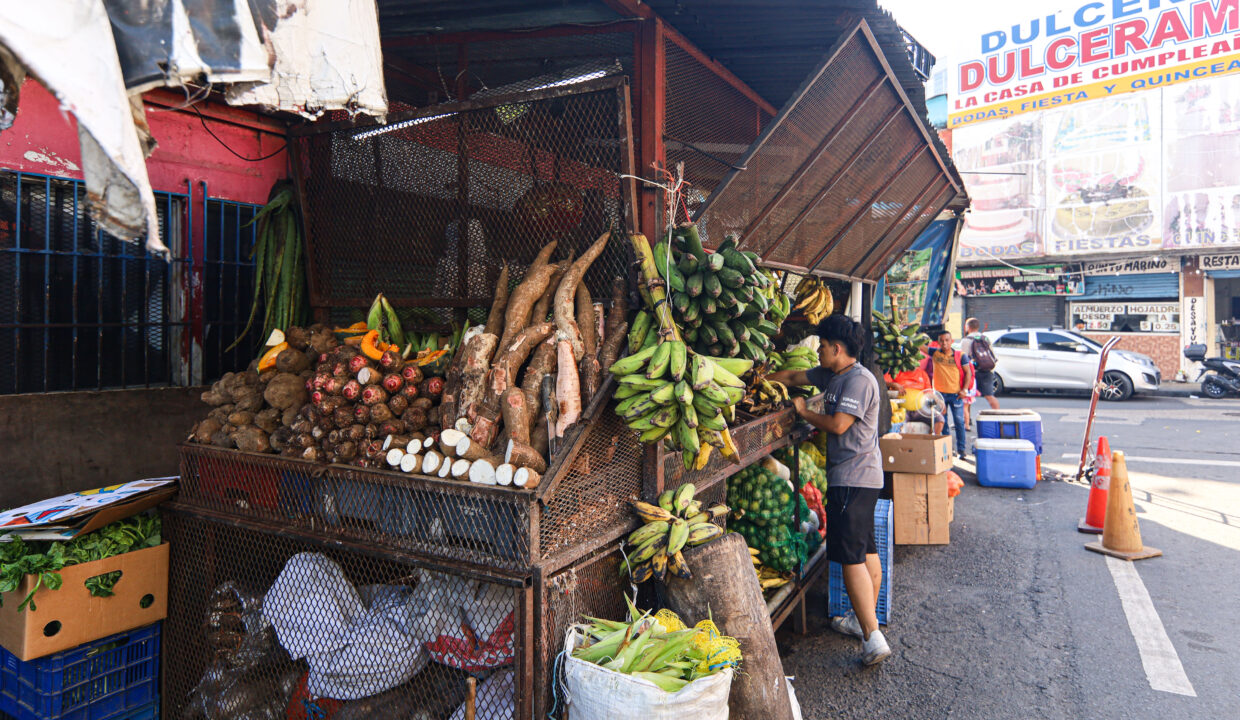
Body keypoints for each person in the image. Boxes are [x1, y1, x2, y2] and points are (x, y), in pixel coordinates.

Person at [770, 316, 891, 666]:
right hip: (859, 478)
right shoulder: (833, 376)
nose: (818, 351)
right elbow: (794, 377)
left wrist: (805, 411)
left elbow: (838, 425)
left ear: (837, 349)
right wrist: (758, 381)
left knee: (851, 557)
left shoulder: (859, 381)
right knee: (866, 550)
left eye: (822, 346)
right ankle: (862, 622)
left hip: (854, 478)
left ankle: (872, 637)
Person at [921, 329, 972, 458]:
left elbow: (968, 374)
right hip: (940, 396)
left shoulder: (960, 356)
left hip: (956, 395)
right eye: (941, 341)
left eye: (947, 340)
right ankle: (947, 450)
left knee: (959, 423)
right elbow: (920, 346)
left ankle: (961, 450)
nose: (944, 343)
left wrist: (964, 390)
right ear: (938, 342)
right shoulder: (935, 353)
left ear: (952, 341)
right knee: (943, 424)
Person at [960, 318, 1000, 424]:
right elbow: (992, 355)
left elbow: (963, 358)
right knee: (989, 395)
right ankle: (999, 418)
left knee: (967, 397)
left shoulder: (966, 340)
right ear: (978, 327)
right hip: (987, 371)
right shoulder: (985, 338)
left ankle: (967, 422)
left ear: (968, 327)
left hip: (973, 372)